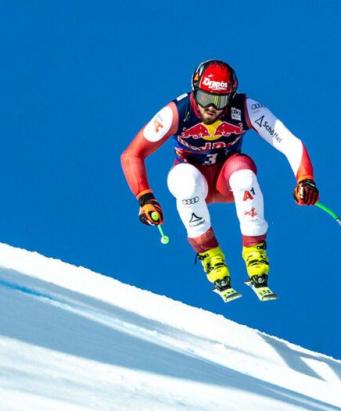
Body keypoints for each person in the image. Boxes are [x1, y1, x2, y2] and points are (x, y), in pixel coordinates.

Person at [120, 59, 319, 300]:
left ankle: (255, 251)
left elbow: (288, 142)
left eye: (221, 100)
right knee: (184, 179)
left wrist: (305, 179)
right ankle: (210, 255)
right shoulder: (177, 112)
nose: (212, 107)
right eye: (205, 98)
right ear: (194, 90)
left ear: (231, 96)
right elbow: (132, 154)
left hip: (228, 180)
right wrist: (145, 197)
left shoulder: (246, 108)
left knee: (244, 172)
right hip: (194, 179)